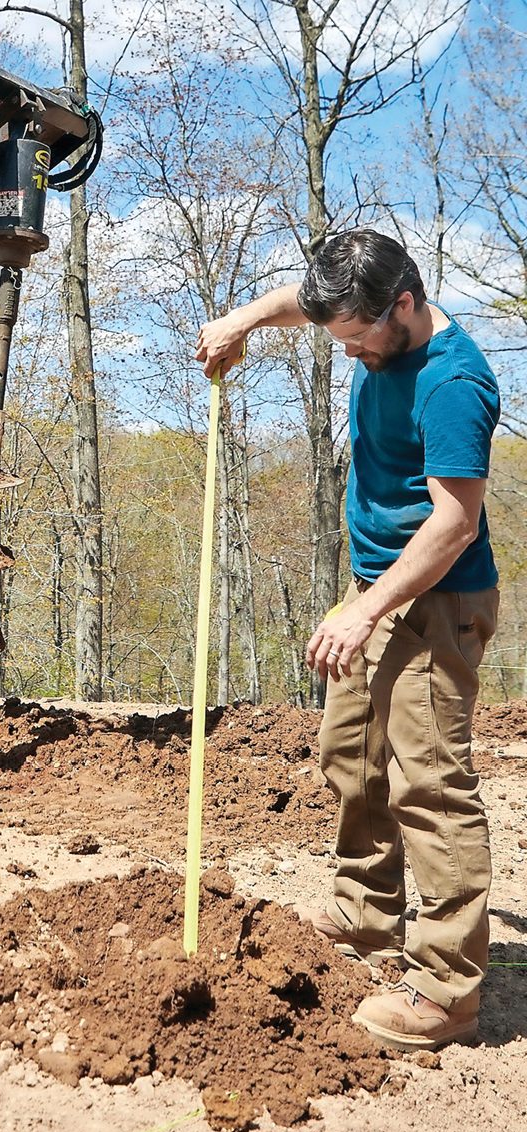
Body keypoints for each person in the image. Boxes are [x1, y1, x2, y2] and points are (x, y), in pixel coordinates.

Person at [196, 229, 500, 1052]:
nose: (354, 352)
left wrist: (366, 613)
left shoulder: (454, 382)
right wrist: (243, 322)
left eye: (362, 336)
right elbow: (307, 303)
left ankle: (446, 991)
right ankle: (367, 918)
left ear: (404, 304)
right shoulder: (364, 311)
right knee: (351, 755)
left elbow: (454, 524)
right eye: (340, 336)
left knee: (430, 785)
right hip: (377, 588)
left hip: (433, 599)